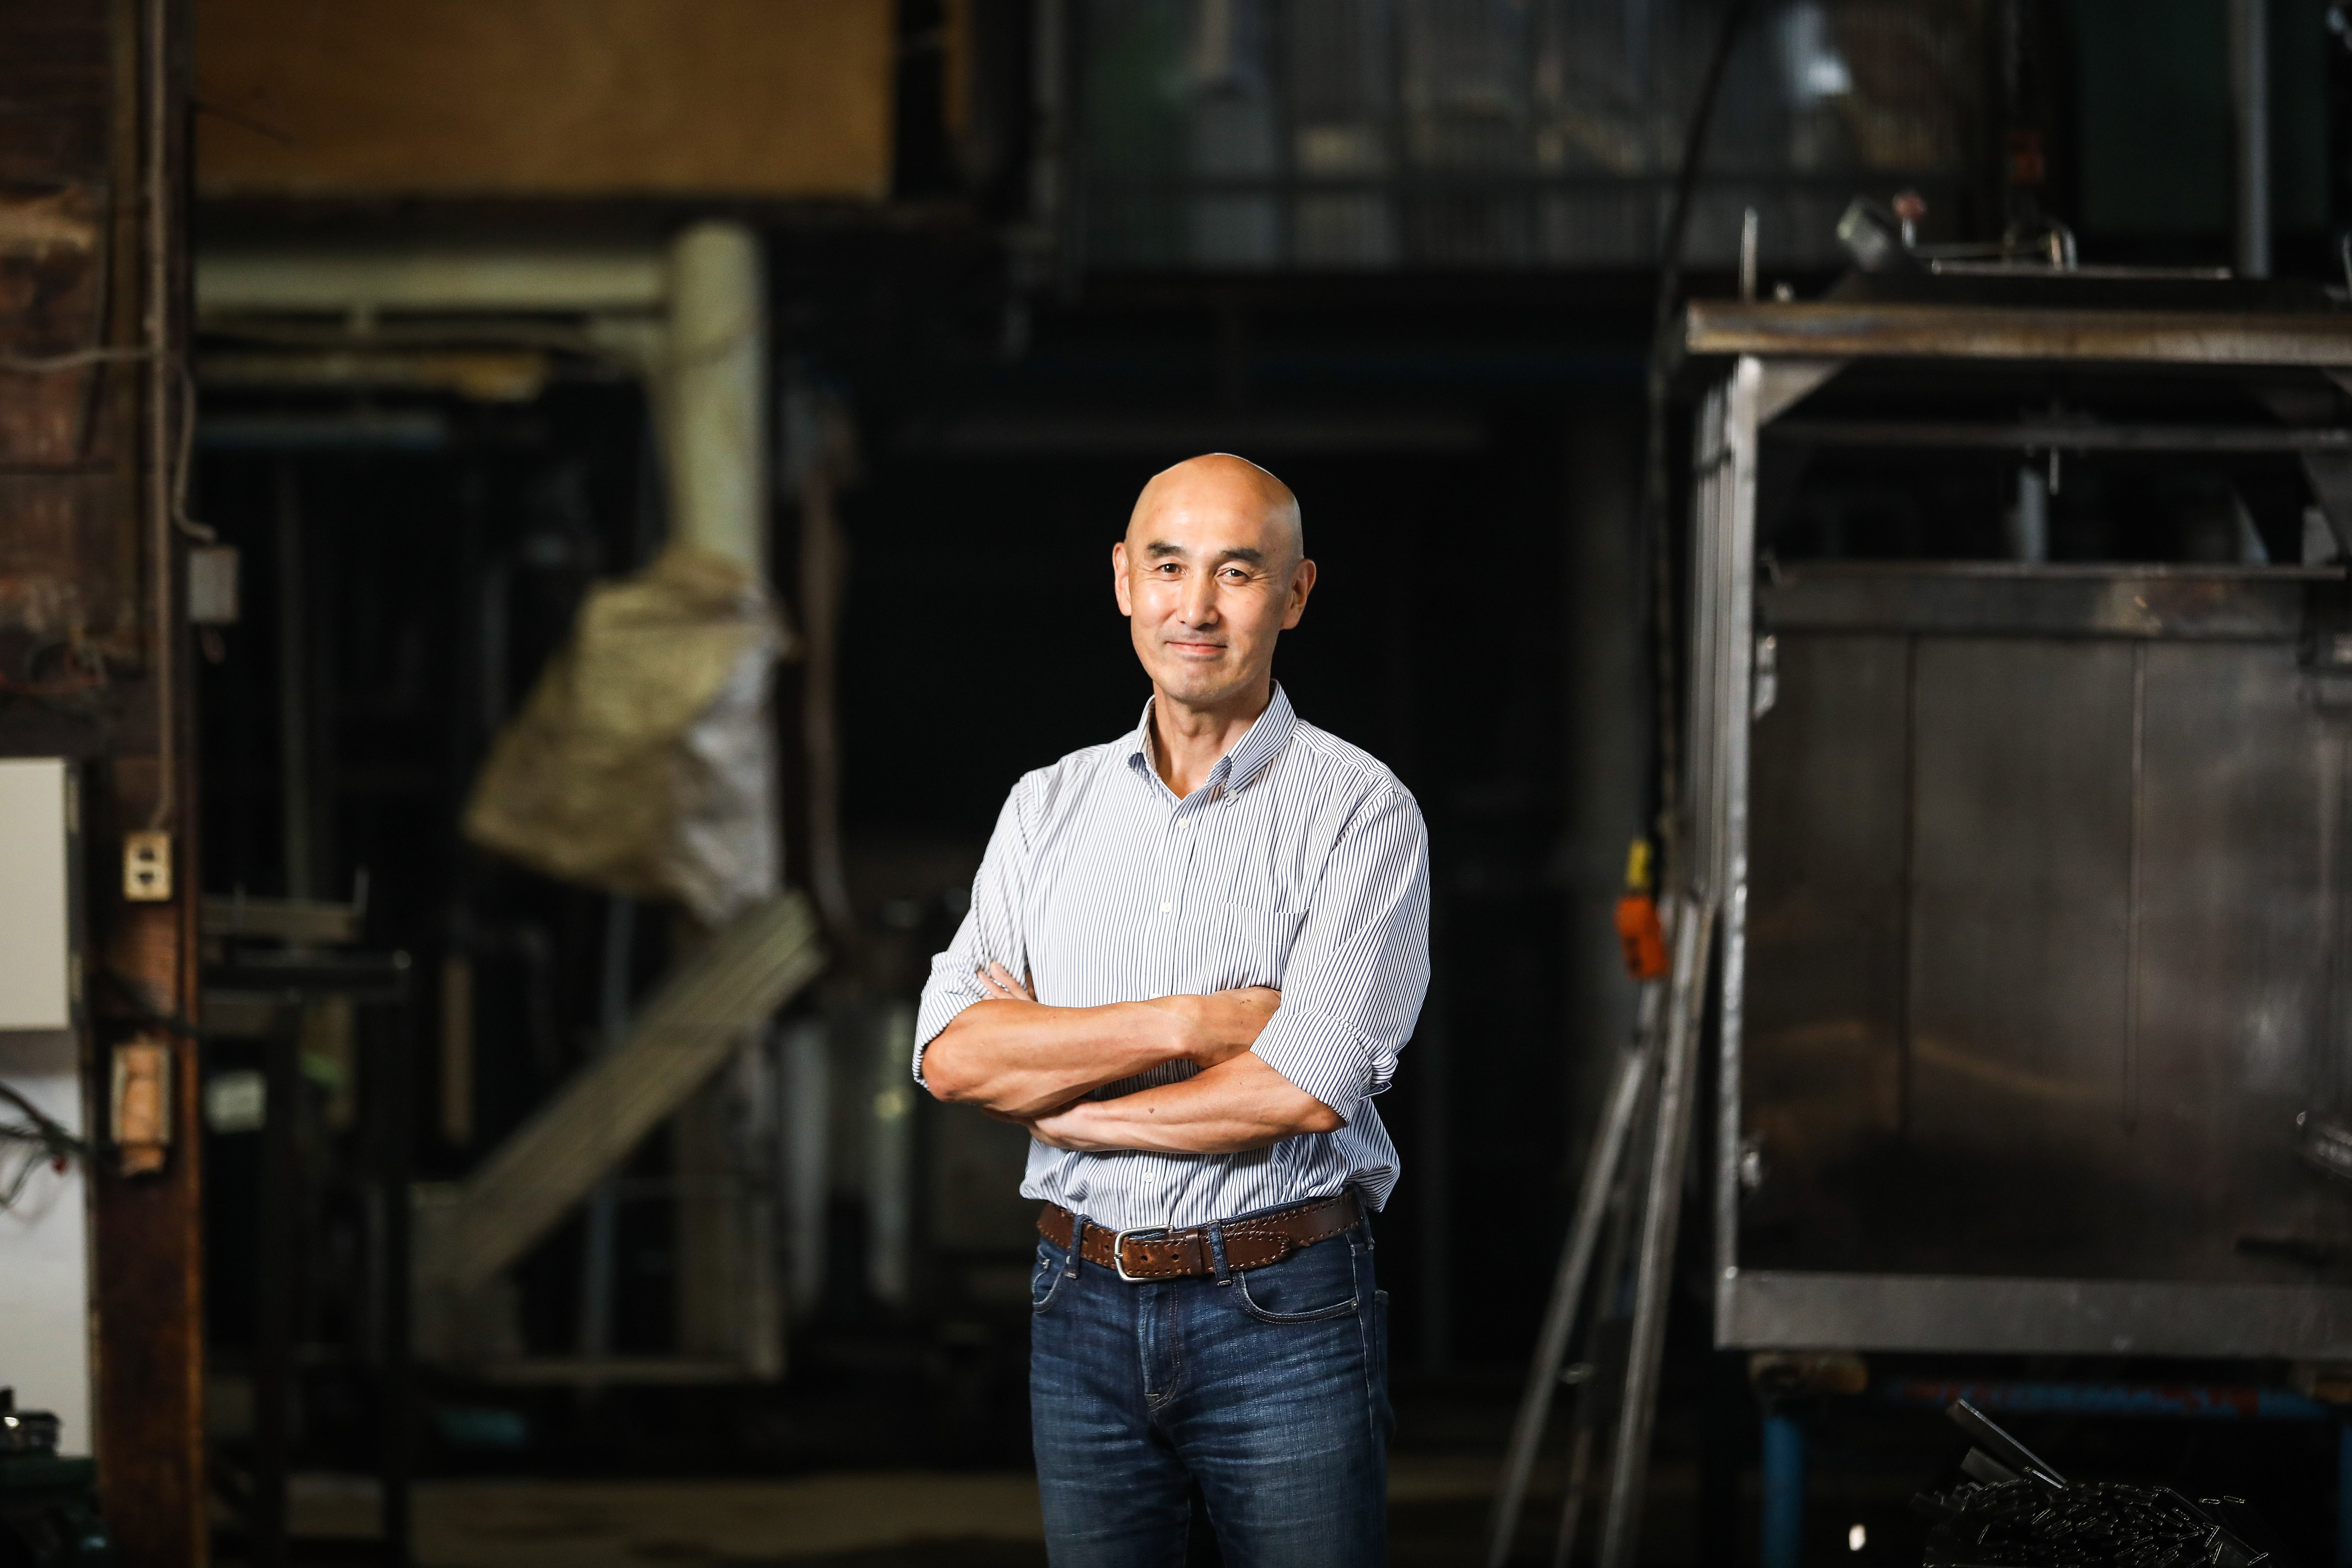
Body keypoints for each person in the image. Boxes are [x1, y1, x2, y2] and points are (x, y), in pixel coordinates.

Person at [914, 453, 1432, 1566]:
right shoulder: (1047, 808)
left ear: (1294, 595)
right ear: (1122, 580)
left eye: (1236, 573)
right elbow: (955, 1055)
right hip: (1078, 1303)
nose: (1195, 607)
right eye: (1168, 568)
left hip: (1281, 1309)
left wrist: (1071, 1108)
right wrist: (1190, 1025)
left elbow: (1300, 1090)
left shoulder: (1360, 813)